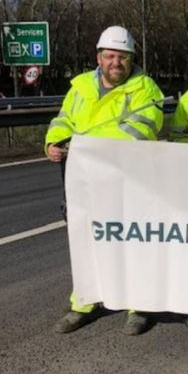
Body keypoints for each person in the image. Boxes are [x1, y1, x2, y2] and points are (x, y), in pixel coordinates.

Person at [46, 25, 165, 336]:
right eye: (110, 56)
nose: (116, 62)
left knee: (131, 239)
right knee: (85, 238)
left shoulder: (146, 89)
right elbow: (64, 118)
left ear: (132, 59)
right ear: (98, 57)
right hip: (82, 174)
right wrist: (54, 141)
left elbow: (143, 128)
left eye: (122, 57)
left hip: (126, 177)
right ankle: (84, 302)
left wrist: (86, 144)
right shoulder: (81, 86)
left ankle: (138, 305)